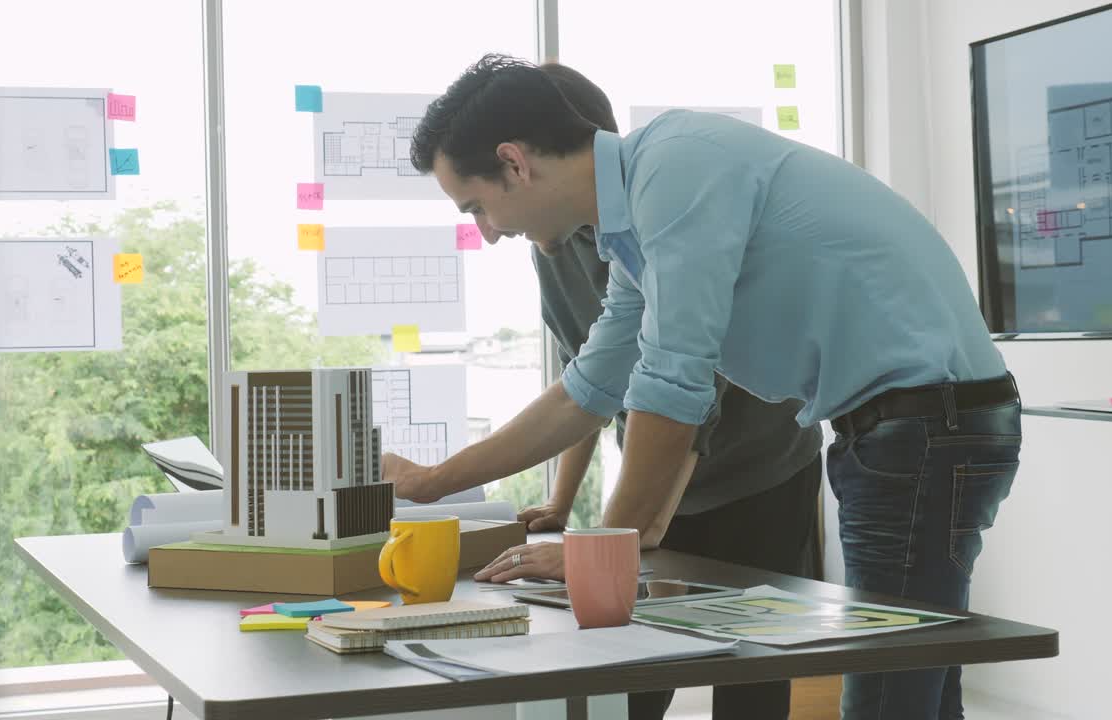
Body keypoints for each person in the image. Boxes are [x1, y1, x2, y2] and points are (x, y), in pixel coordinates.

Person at [386, 54, 1021, 720]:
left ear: (515, 162)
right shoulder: (635, 222)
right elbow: (589, 388)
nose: (486, 233)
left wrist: (600, 553)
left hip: (924, 427)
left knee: (887, 691)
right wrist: (433, 482)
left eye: (478, 207)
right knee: (910, 682)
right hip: (909, 428)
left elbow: (673, 383)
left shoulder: (677, 166)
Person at [515, 62, 823, 720]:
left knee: (750, 668)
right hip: (662, 459)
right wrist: (559, 504)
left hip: (758, 464)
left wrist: (625, 534)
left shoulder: (651, 215)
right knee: (634, 663)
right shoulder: (549, 245)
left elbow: (692, 398)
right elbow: (586, 379)